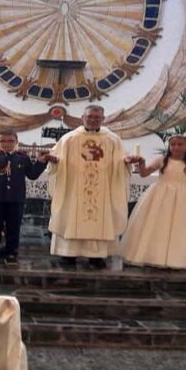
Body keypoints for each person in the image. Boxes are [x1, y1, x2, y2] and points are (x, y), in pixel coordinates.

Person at [40, 105, 143, 267]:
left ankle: (96, 256)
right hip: (74, 189)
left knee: (99, 217)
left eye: (97, 117)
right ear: (83, 117)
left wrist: (126, 162)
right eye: (90, 117)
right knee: (71, 216)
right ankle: (68, 254)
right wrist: (53, 161)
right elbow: (57, 159)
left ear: (103, 119)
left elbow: (121, 160)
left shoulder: (112, 139)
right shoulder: (69, 138)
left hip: (102, 190)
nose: (93, 120)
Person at [121, 135, 186, 270]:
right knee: (158, 225)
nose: (176, 147)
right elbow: (144, 174)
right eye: (173, 144)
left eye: (180, 144)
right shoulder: (162, 161)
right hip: (160, 197)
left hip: (184, 199)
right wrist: (141, 164)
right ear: (169, 147)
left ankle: (180, 258)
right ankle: (153, 255)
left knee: (181, 229)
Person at [0, 130, 48, 266]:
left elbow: (32, 175)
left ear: (16, 141)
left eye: (10, 141)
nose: (6, 144)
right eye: (3, 141)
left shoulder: (22, 158)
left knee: (13, 227)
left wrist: (41, 163)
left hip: (16, 199)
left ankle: (11, 254)